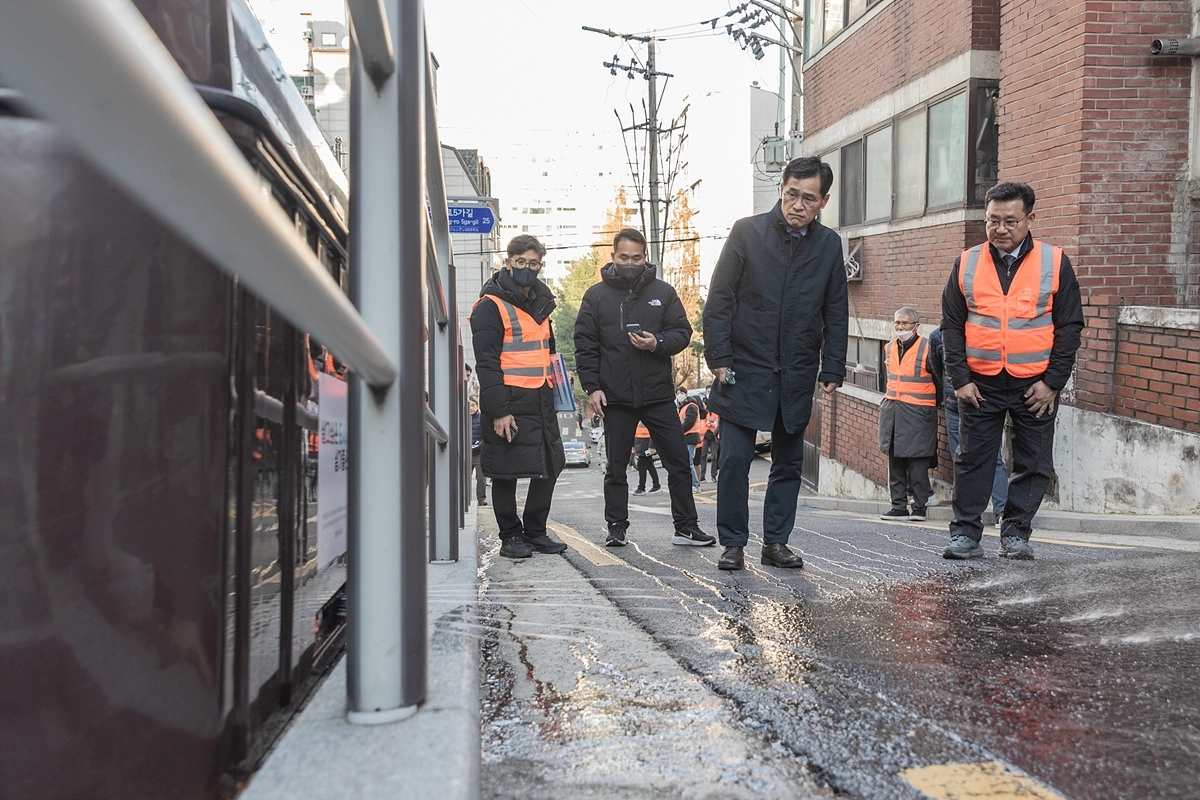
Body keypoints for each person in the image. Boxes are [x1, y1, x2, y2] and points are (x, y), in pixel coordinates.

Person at [703, 156, 848, 571]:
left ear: (823, 201)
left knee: (787, 463)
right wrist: (719, 358)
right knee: (733, 460)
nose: (797, 204)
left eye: (808, 198)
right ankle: (732, 543)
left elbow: (835, 310)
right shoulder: (746, 233)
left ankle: (776, 543)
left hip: (797, 370)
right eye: (790, 194)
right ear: (781, 190)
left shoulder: (827, 245)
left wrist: (833, 366)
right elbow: (719, 299)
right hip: (743, 367)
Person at [940, 181, 1084, 560]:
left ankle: (1016, 533)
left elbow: (1070, 327)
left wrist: (1053, 383)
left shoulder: (1054, 262)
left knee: (1033, 463)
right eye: (992, 221)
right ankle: (966, 535)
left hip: (1034, 387)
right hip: (979, 385)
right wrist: (961, 380)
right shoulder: (967, 262)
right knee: (972, 460)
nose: (1000, 229)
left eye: (1010, 221)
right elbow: (951, 326)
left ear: (1030, 218)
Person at [574, 228, 715, 548]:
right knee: (616, 467)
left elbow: (682, 331)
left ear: (645, 257)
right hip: (616, 397)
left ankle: (686, 527)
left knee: (679, 461)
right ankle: (616, 527)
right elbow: (585, 345)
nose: (630, 263)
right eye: (623, 258)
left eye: (636, 258)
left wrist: (657, 343)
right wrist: (592, 387)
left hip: (657, 395)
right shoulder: (595, 296)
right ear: (613, 257)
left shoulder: (663, 292)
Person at [471, 234, 569, 559]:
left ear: (540, 265)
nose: (527, 269)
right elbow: (486, 364)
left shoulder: (542, 304)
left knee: (550, 464)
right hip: (508, 401)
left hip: (541, 397)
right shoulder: (490, 305)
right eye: (521, 262)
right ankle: (510, 537)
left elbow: (549, 351)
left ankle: (536, 531)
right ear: (508, 262)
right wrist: (500, 411)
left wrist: (559, 390)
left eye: (534, 263)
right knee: (505, 470)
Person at [928, 327, 1007, 521]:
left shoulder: (985, 331)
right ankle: (970, 516)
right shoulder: (937, 336)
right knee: (962, 460)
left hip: (983, 404)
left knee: (990, 457)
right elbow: (937, 369)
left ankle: (1001, 510)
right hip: (955, 406)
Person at [878, 307, 943, 522]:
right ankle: (898, 507)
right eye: (897, 323)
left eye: (905, 323)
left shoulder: (927, 347)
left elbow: (939, 380)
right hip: (894, 412)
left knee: (918, 465)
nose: (901, 327)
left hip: (919, 413)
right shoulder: (889, 347)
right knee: (895, 462)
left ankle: (919, 508)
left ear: (916, 325)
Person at [677, 388, 704, 490]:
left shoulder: (691, 406)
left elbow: (689, 422)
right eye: (677, 393)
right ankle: (691, 484)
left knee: (689, 461)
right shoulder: (682, 407)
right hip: (685, 437)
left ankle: (695, 485)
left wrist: (678, 431)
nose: (679, 395)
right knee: (687, 461)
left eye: (681, 393)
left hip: (691, 436)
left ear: (686, 394)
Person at [632, 422, 662, 496]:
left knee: (641, 464)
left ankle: (642, 488)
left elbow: (653, 431)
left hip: (647, 446)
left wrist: (652, 446)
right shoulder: (638, 419)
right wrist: (633, 445)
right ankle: (656, 485)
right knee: (649, 465)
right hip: (641, 445)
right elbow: (634, 432)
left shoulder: (646, 417)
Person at [469, 399, 487, 506]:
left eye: (473, 405)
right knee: (464, 478)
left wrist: (479, 445)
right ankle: (463, 499)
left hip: (479, 453)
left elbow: (485, 434)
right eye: (469, 405)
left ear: (477, 406)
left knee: (481, 478)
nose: (470, 408)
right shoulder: (461, 417)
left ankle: (481, 499)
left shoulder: (482, 418)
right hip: (466, 453)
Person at [699, 408, 720, 482]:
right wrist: (708, 424)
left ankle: (713, 475)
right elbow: (702, 421)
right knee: (703, 455)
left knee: (714, 456)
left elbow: (717, 423)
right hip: (705, 434)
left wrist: (713, 424)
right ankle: (702, 476)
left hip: (714, 435)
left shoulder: (717, 412)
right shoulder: (705, 412)